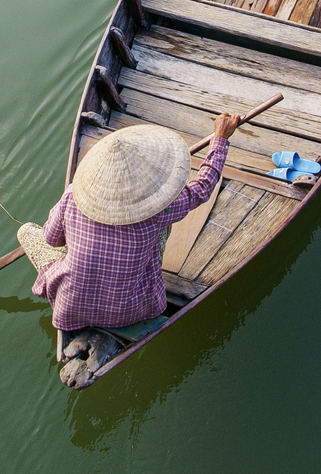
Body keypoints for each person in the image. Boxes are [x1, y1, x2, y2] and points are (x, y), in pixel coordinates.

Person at [18, 113, 240, 386]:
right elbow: (202, 187)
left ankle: (90, 320)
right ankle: (106, 330)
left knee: (26, 231)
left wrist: (83, 238)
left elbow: (52, 239)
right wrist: (220, 139)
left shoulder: (72, 196)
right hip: (137, 309)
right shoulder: (158, 212)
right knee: (161, 231)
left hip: (70, 307)